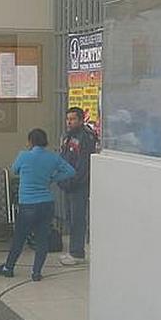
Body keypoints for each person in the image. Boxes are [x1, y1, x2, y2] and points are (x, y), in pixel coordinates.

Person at [0, 128, 75, 282]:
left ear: (30, 141)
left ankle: (8, 268)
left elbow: (14, 170)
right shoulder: (53, 157)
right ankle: (36, 272)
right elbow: (71, 171)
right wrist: (53, 178)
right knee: (42, 239)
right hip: (46, 203)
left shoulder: (24, 156)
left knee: (19, 237)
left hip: (28, 204)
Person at [58, 107, 97, 266]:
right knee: (70, 217)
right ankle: (73, 250)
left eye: (73, 119)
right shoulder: (68, 136)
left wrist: (73, 181)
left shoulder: (85, 137)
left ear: (81, 120)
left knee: (77, 219)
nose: (69, 122)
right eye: (68, 119)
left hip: (78, 185)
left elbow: (83, 165)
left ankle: (77, 253)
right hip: (67, 182)